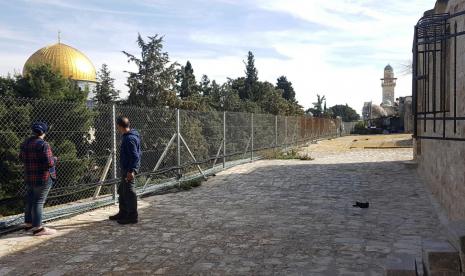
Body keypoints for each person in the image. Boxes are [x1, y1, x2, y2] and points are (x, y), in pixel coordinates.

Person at [19, 122, 57, 236]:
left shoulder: (25, 143)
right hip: (43, 177)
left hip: (29, 176)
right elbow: (49, 163)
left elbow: (21, 157)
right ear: (44, 132)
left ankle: (28, 224)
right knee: (39, 201)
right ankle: (38, 228)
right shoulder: (44, 145)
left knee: (30, 200)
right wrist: (55, 159)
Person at [109, 117, 141, 224]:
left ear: (119, 126)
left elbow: (135, 156)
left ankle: (132, 216)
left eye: (117, 126)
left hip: (129, 170)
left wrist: (131, 171)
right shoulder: (130, 136)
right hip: (126, 169)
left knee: (129, 192)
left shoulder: (129, 139)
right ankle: (123, 212)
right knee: (122, 191)